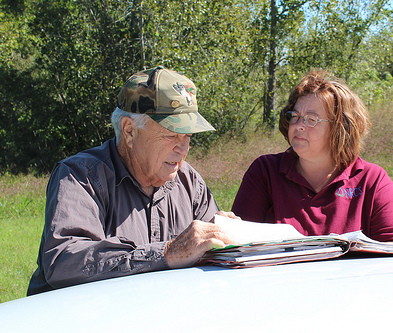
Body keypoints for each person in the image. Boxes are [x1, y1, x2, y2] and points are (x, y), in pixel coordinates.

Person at [28, 67, 237, 295]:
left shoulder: (189, 181)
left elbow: (212, 252)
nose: (183, 149)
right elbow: (63, 262)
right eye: (171, 135)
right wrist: (167, 253)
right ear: (129, 131)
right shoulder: (80, 176)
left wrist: (226, 237)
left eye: (188, 136)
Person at [232, 69, 393, 244]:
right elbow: (236, 244)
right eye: (295, 116)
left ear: (340, 129)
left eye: (311, 119)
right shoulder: (265, 172)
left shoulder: (372, 180)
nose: (299, 125)